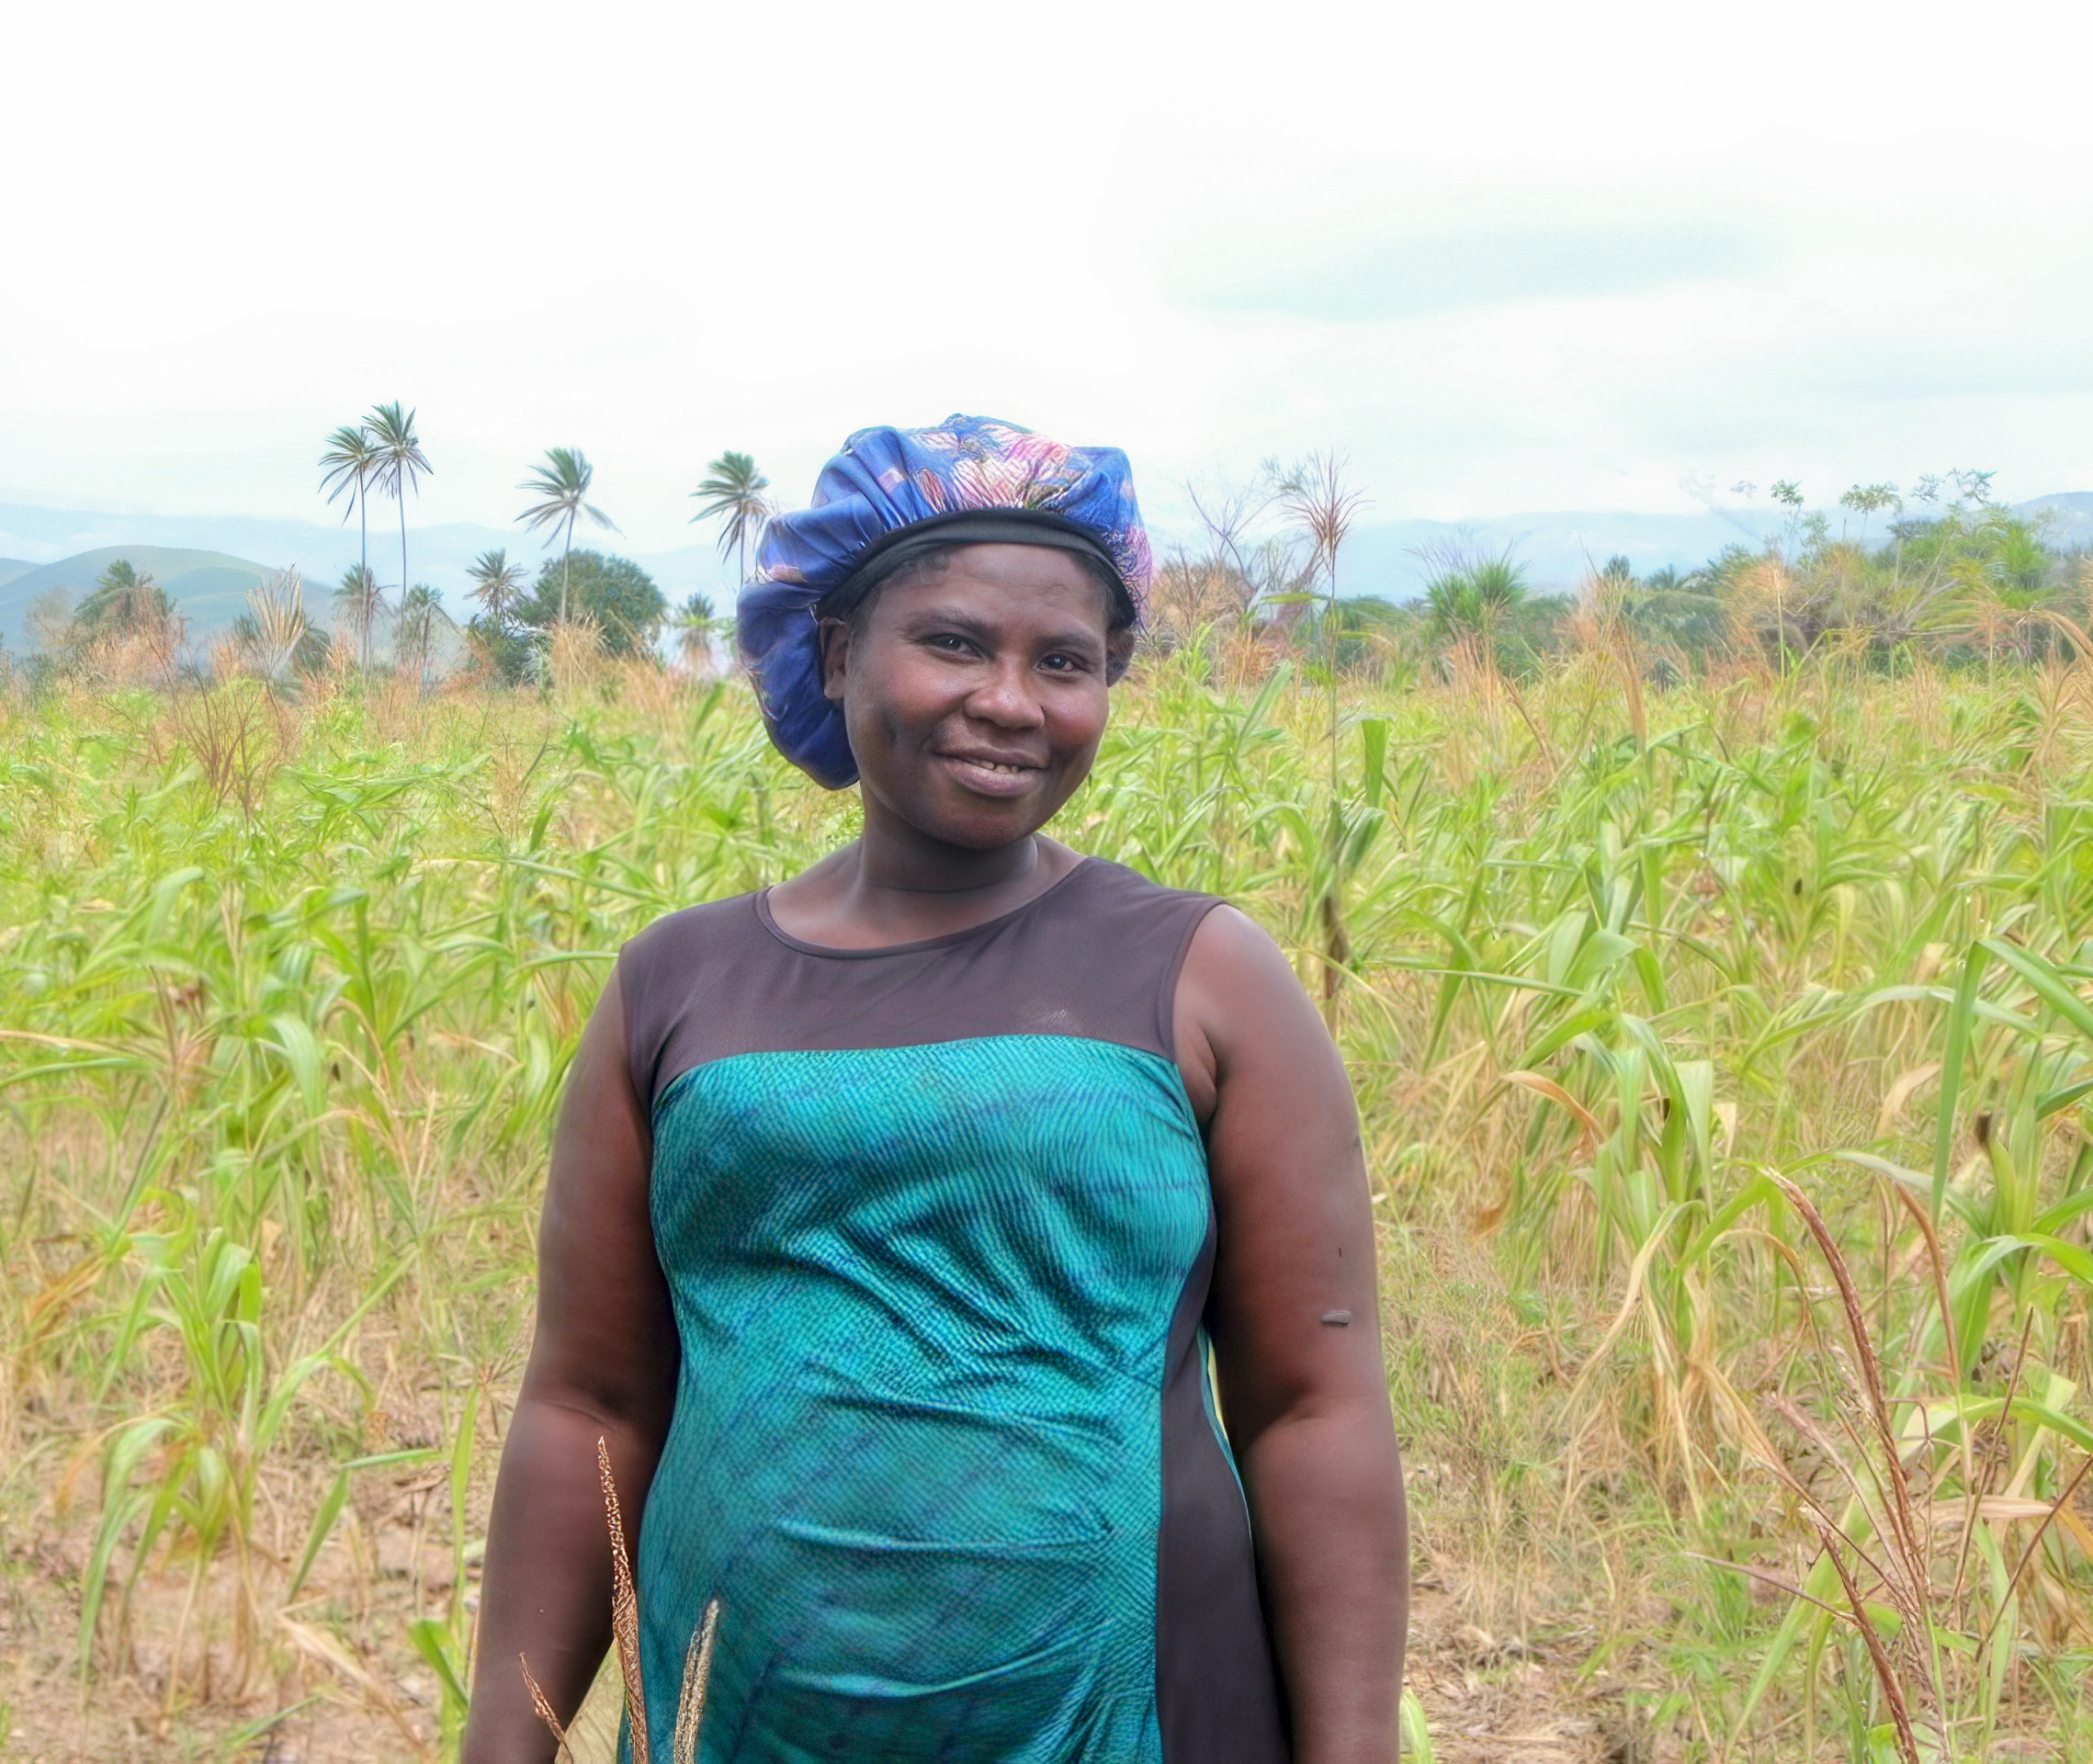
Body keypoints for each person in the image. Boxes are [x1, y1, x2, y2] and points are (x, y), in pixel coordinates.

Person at [465, 416, 1406, 1764]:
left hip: (1137, 1710)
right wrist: (510, 1744)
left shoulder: (1203, 976)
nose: (1011, 701)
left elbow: (1313, 1407)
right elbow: (590, 1405)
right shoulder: (679, 986)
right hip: (736, 1718)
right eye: (955, 642)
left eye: (1064, 662)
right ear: (840, 651)